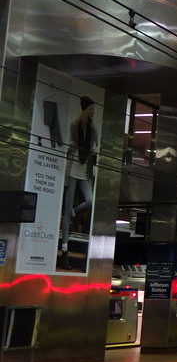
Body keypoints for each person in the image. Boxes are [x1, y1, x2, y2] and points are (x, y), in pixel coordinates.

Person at [60, 95, 98, 250]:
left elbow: (95, 146)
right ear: (86, 109)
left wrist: (93, 151)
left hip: (84, 169)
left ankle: (73, 212)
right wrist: (72, 145)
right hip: (73, 165)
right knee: (67, 204)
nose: (93, 112)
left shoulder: (93, 128)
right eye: (92, 109)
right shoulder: (75, 124)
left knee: (90, 201)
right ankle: (64, 245)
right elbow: (69, 142)